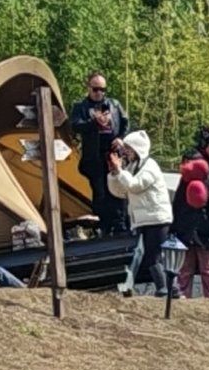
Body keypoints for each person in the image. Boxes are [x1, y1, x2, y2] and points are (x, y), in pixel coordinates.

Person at [109, 129, 177, 296]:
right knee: (146, 255)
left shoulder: (150, 166)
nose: (126, 153)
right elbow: (120, 191)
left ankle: (165, 289)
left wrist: (120, 172)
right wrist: (113, 173)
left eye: (129, 149)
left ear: (138, 149)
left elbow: (134, 185)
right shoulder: (132, 167)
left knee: (153, 256)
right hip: (143, 219)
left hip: (157, 219)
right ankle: (169, 289)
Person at [66, 73, 130, 237]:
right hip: (94, 156)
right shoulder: (80, 107)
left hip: (113, 154)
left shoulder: (114, 104)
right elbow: (75, 126)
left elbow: (125, 122)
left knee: (118, 188)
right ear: (88, 88)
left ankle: (120, 224)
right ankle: (104, 225)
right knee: (100, 192)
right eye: (95, 89)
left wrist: (121, 139)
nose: (99, 93)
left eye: (103, 90)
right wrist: (94, 122)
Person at [171, 133, 209, 299]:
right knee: (206, 270)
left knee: (188, 271)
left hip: (192, 231)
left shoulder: (191, 181)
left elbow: (177, 207)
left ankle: (186, 297)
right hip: (203, 231)